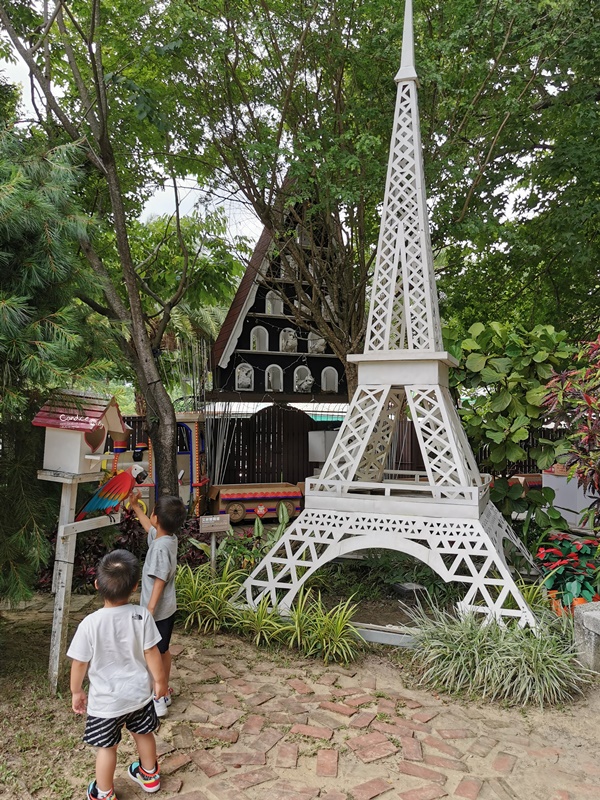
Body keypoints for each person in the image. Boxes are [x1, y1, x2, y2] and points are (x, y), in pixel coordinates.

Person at [67, 549, 166, 800]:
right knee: (144, 734)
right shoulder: (141, 615)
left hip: (106, 703)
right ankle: (149, 775)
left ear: (97, 584)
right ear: (134, 587)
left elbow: (79, 663)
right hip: (138, 696)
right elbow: (152, 652)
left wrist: (76, 691)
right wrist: (160, 681)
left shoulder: (90, 623)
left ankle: (104, 793)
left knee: (107, 748)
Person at [128, 490, 187, 717]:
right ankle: (164, 689)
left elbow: (160, 580)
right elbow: (149, 528)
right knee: (163, 651)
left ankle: (158, 697)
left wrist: (149, 610)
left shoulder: (161, 548)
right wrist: (136, 508)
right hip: (166, 610)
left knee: (153, 653)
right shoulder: (167, 538)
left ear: (157, 518)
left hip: (158, 612)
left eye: (151, 511)